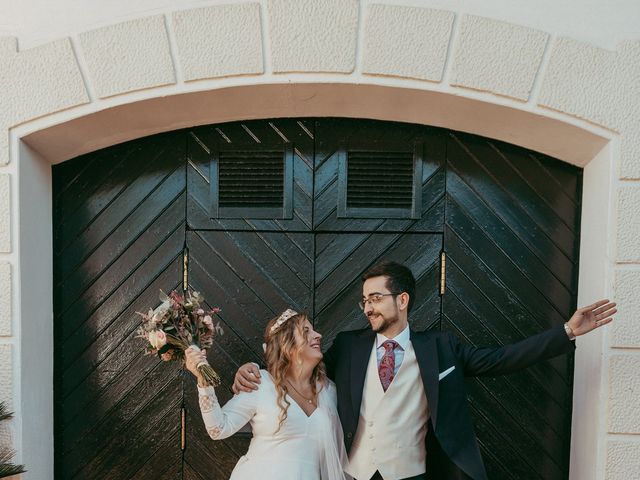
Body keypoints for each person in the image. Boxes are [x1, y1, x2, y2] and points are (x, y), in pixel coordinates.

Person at [234, 261, 617, 480]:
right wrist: (251, 370)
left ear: (402, 300)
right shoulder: (348, 347)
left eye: (376, 299)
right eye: (364, 300)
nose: (367, 308)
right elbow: (296, 367)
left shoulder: (441, 348)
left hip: (413, 475)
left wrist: (566, 331)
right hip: (355, 473)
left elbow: (500, 359)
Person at [185, 309, 348, 480]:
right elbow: (217, 429)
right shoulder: (259, 382)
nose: (318, 335)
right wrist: (204, 382)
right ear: (287, 344)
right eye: (306, 331)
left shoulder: (330, 391)